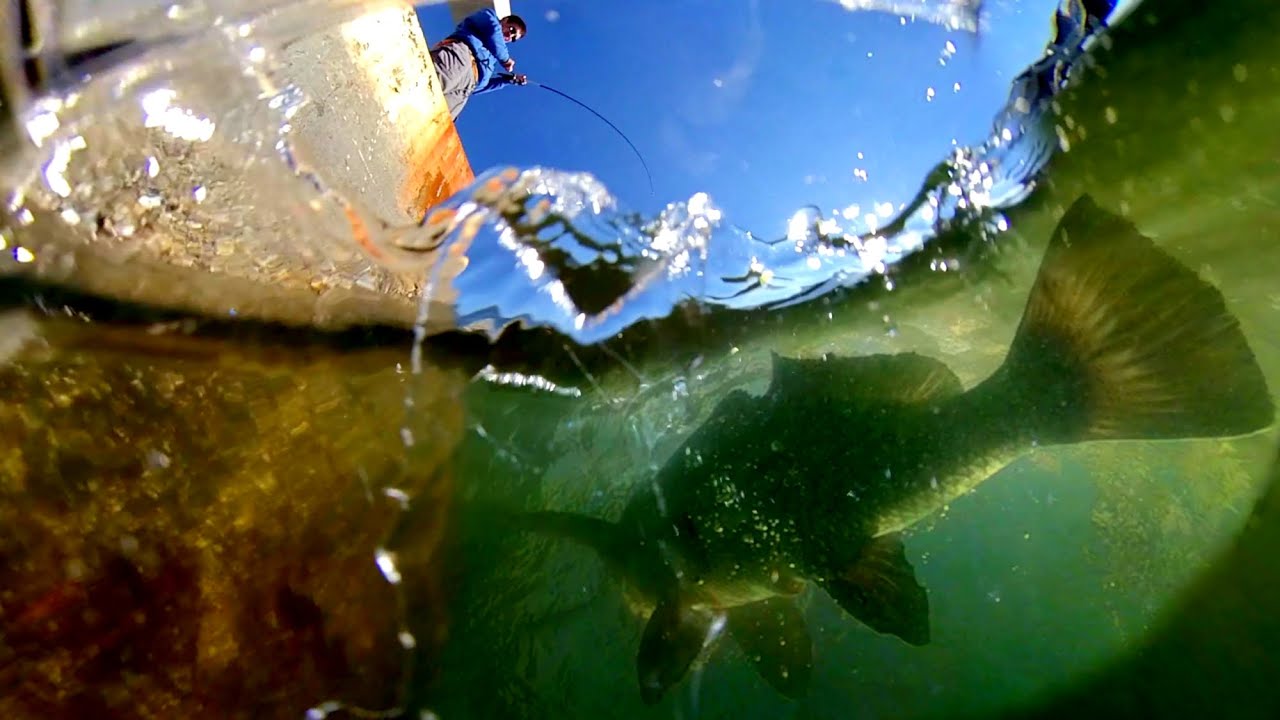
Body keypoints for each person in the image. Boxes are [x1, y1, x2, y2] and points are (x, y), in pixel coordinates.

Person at [422, 8, 529, 120]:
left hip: (465, 90)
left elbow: (480, 87)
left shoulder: (493, 58)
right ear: (505, 20)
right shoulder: (489, 17)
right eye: (511, 30)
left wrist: (506, 80)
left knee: (435, 120)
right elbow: (493, 31)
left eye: (513, 39)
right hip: (460, 59)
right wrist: (506, 59)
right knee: (427, 86)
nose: (509, 36)